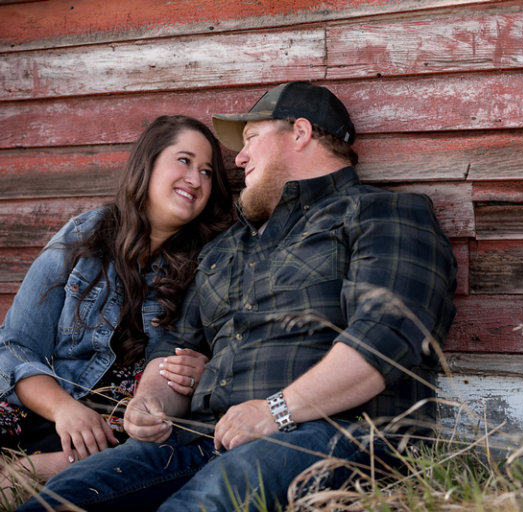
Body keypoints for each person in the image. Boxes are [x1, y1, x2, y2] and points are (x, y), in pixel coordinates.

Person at [18, 81, 457, 511]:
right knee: (66, 496)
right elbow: (174, 348)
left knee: (200, 504)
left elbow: (387, 338)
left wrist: (276, 411)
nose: (239, 158)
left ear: (300, 133)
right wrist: (151, 401)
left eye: (250, 140)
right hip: (203, 437)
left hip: (333, 433)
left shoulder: (382, 213)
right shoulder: (224, 249)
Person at [0, 115, 233, 484]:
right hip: (51, 406)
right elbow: (14, 347)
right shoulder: (84, 236)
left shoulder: (212, 259)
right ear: (149, 161)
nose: (195, 179)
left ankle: (33, 474)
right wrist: (65, 410)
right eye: (185, 161)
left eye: (207, 172)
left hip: (127, 429)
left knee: (140, 452)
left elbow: (228, 350)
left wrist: (206, 371)